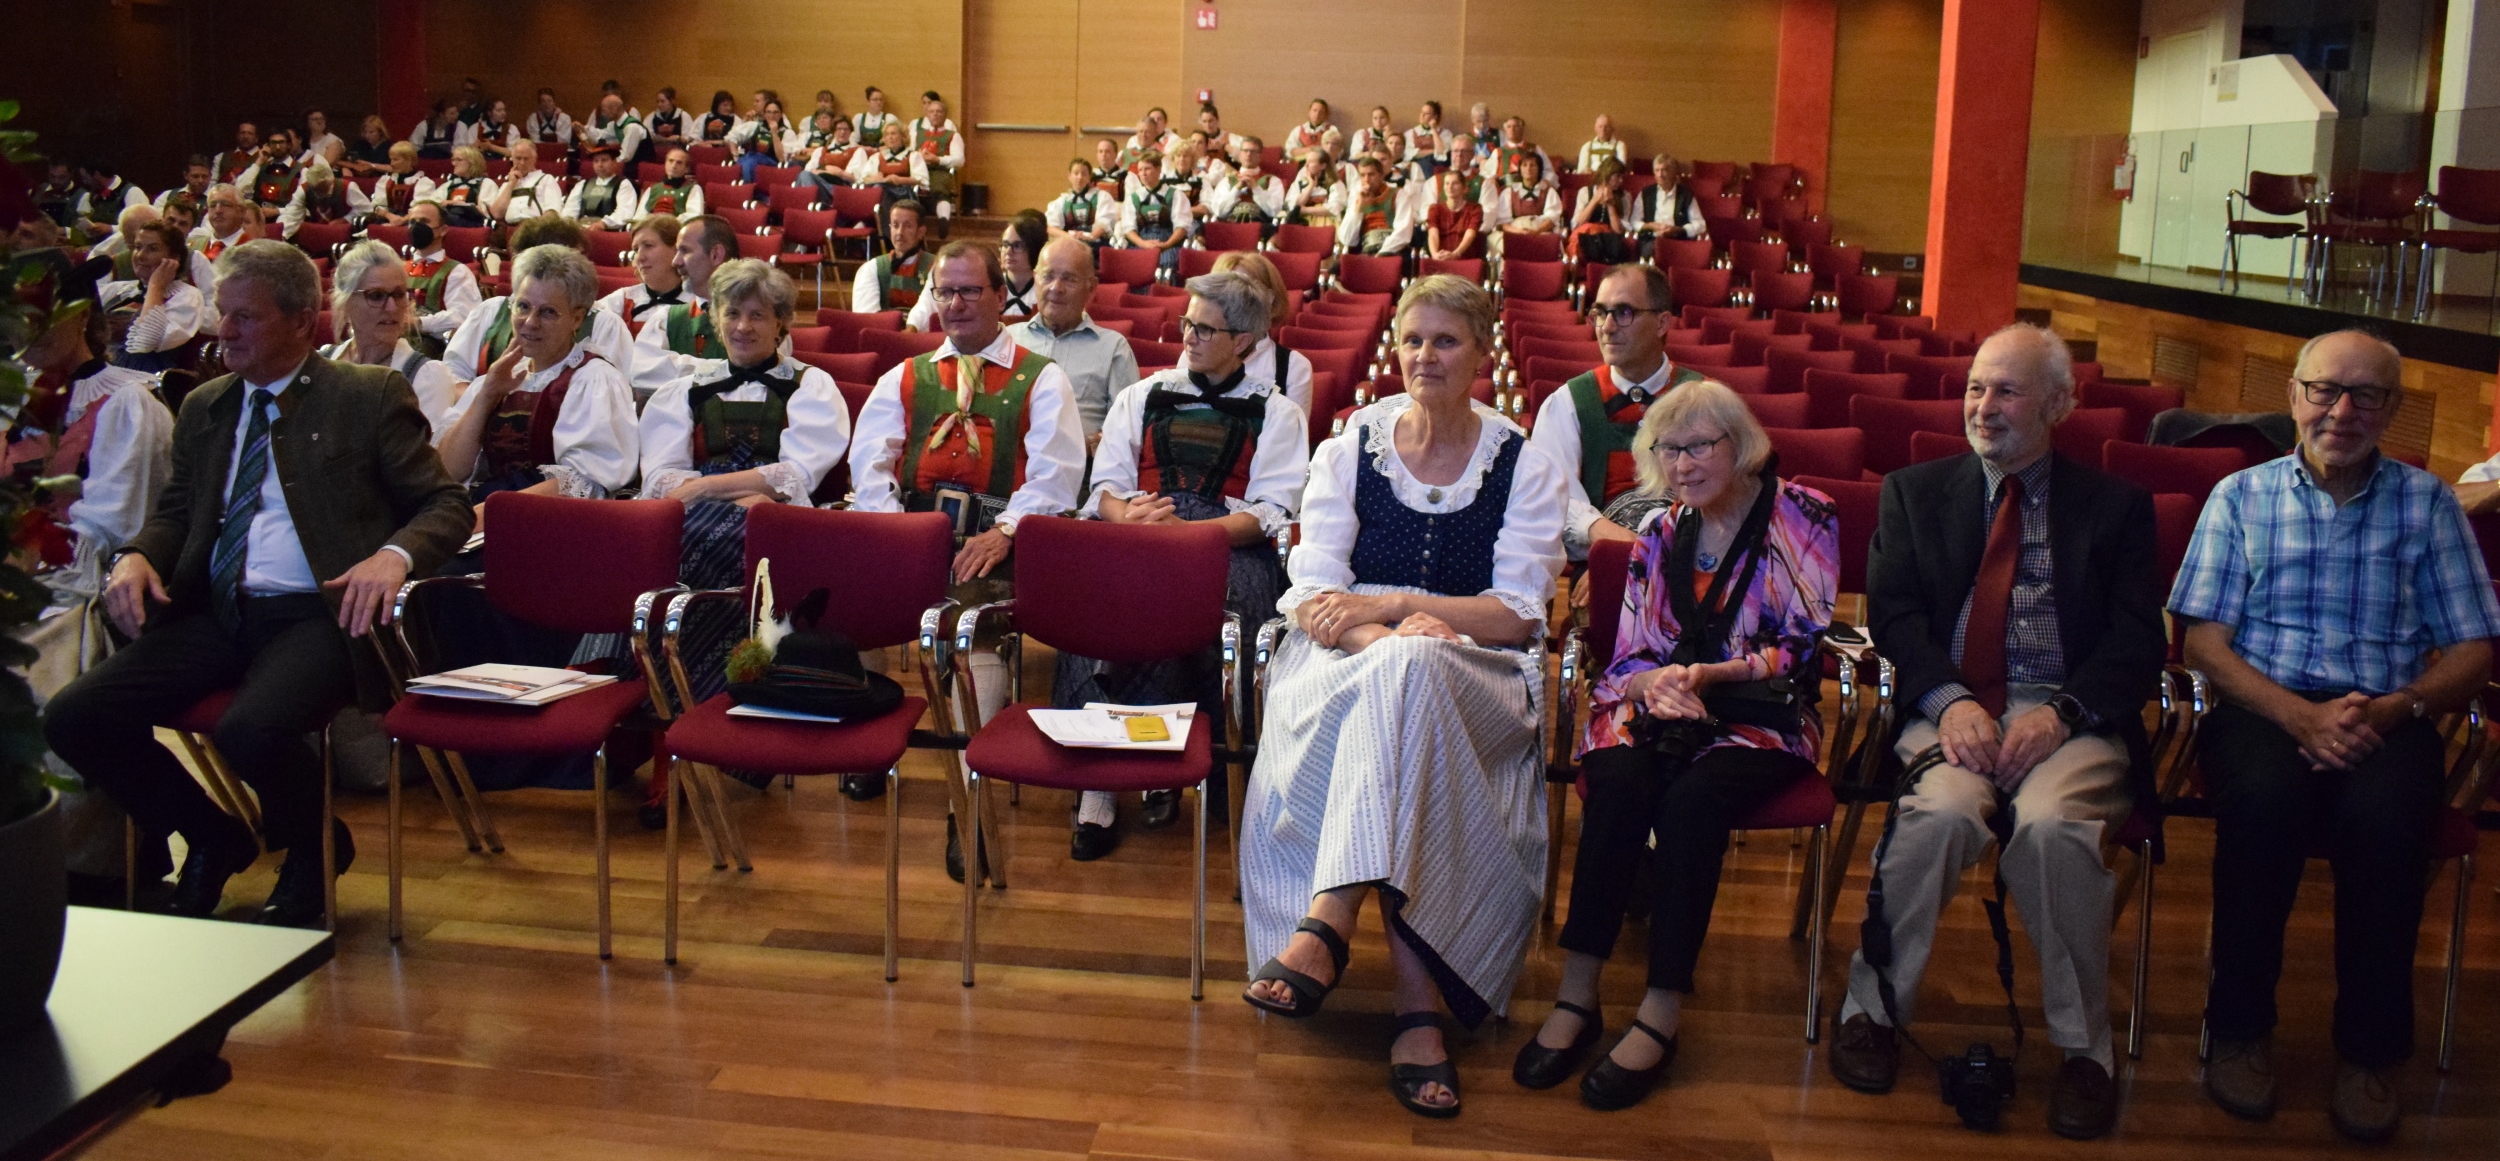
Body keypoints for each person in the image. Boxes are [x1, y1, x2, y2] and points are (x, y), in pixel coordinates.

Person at [41, 240, 472, 928]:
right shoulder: (209, 404)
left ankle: (313, 846)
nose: (225, 330)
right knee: (74, 715)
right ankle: (213, 835)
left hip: (320, 612)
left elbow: (444, 505)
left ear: (303, 321)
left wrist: (394, 554)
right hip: (215, 609)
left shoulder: (367, 396)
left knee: (252, 728)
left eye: (246, 316)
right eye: (223, 313)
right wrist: (135, 555)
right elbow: (178, 513)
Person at [1240, 274, 1564, 1120]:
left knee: (1416, 675)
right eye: (1414, 339)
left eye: (1446, 341)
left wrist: (1389, 608)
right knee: (1403, 679)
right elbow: (1312, 591)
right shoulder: (1352, 445)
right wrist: (1383, 641)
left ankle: (1328, 920)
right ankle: (1418, 1012)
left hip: (1479, 674)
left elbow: (1519, 614)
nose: (1425, 355)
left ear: (1483, 355)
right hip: (1341, 660)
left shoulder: (1524, 460)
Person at [1829, 324, 2162, 1142]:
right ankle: (1871, 1010)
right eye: (1977, 388)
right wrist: (1947, 700)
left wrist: (2062, 715)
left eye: (2006, 391)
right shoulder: (1916, 492)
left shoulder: (2116, 508)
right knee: (1939, 813)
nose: (1984, 406)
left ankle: (2087, 1053)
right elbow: (1896, 620)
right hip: (1951, 707)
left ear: (2057, 404)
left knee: (2052, 830)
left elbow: (2135, 640)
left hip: (2067, 715)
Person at [2169, 329, 2500, 1142]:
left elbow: (2472, 647)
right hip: (2263, 706)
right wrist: (2298, 715)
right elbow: (2202, 641)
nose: (2342, 410)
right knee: (2263, 815)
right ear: (2293, 397)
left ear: (2393, 408)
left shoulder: (2427, 505)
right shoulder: (2239, 497)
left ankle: (2369, 1052)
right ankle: (2240, 1032)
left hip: (2389, 713)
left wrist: (2398, 708)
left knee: (2388, 831)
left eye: (2367, 395)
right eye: (2325, 390)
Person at [1519, 380, 1836, 1111]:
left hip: (1757, 713)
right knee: (1621, 779)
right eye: (1669, 449)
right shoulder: (1662, 530)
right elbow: (1629, 651)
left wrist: (1712, 673)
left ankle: (1661, 1010)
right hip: (1662, 706)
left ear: (1741, 443)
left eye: (1700, 445)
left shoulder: (1805, 516)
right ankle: (1578, 992)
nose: (1683, 463)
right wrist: (1654, 685)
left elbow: (1801, 642)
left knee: (1694, 802)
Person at [1057, 270, 1309, 859]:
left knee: (1231, 614)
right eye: (1187, 323)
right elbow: (1106, 489)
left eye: (1205, 328)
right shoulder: (1142, 395)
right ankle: (1098, 790)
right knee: (1095, 604)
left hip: (1223, 542)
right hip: (1137, 530)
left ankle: (1204, 775)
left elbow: (1272, 510)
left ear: (1244, 340)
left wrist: (1190, 535)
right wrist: (1130, 521)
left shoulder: (1276, 412)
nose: (1188, 337)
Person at [850, 238, 1087, 836]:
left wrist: (1006, 530)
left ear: (1002, 296)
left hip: (998, 545)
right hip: (912, 536)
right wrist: (898, 533)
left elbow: (1056, 476)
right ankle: (865, 746)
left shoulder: (1042, 379)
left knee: (973, 621)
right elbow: (869, 465)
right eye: (945, 291)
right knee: (844, 600)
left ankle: (967, 800)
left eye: (969, 291)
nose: (955, 304)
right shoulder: (905, 377)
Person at [636, 259, 854, 786]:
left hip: (779, 527)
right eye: (733, 313)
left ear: (782, 323)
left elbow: (796, 475)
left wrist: (709, 489)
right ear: (715, 318)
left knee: (724, 539)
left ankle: (709, 738)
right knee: (644, 556)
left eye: (759, 315)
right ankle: (654, 721)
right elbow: (661, 477)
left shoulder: (809, 385)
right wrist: (711, 498)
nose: (743, 327)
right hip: (700, 521)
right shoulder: (688, 387)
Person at [8, 256, 176, 598]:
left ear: (82, 313)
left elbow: (115, 530)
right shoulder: (12, 402)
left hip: (67, 589)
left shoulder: (127, 404)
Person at [433, 244, 638, 504]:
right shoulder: (499, 378)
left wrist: (485, 516)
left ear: (577, 319)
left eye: (548, 312)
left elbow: (587, 483)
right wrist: (486, 395)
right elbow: (448, 470)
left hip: (546, 522)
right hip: (483, 513)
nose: (530, 322)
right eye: (523, 306)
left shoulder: (593, 379)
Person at [1528, 264, 1705, 561]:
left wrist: (1646, 556)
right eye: (1599, 313)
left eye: (1624, 313)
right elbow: (1551, 499)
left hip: (1693, 566)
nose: (1607, 327)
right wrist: (1612, 549)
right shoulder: (1569, 402)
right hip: (1600, 562)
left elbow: (1729, 498)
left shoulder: (1705, 398)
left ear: (1662, 323)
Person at [443, 216, 639, 384]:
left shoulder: (604, 322)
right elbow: (454, 371)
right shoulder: (490, 310)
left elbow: (614, 389)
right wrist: (483, 404)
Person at [1009, 235, 1141, 446]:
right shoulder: (1008, 340)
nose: (1056, 288)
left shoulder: (1113, 348)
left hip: (1082, 471)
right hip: (1011, 467)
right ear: (1035, 279)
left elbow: (1130, 427)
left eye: (1069, 279)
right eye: (1047, 276)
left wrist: (1100, 442)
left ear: (1091, 287)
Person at [325, 239, 464, 438]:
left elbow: (426, 464)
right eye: (376, 296)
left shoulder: (425, 377)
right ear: (345, 302)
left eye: (398, 295)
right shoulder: (325, 363)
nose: (391, 308)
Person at [631, 214, 737, 392]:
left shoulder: (763, 318)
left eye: (685, 251)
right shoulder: (666, 319)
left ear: (715, 254)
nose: (675, 261)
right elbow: (641, 373)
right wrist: (721, 371)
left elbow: (765, 377)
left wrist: (678, 368)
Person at [97, 221, 208, 372]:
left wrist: (156, 286)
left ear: (174, 258)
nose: (141, 256)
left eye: (153, 249)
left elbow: (143, 344)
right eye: (137, 247)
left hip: (144, 380)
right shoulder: (119, 289)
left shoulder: (187, 296)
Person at [1214, 250, 1313, 416]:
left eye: (1245, 292)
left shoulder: (1294, 367)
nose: (1233, 302)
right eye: (1223, 293)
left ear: (1269, 299)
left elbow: (1290, 438)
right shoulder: (1194, 355)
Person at [911, 213, 1039, 331]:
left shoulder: (1042, 291)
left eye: (1017, 246)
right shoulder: (988, 281)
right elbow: (927, 303)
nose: (1008, 252)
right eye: (1005, 245)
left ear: (1034, 249)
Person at [403, 201, 482, 349]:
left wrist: (418, 323)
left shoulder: (457, 271)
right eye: (412, 222)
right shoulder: (398, 269)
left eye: (424, 221)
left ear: (443, 230)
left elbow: (464, 316)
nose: (416, 227)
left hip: (432, 346)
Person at [597, 214, 686, 327]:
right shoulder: (622, 301)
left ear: (677, 249)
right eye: (636, 250)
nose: (639, 258)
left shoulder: (699, 303)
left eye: (648, 246)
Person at [850, 198, 932, 314]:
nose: (900, 232)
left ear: (921, 232)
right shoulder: (872, 268)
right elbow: (866, 318)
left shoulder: (937, 267)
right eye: (895, 225)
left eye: (908, 226)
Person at [850, 120, 929, 236]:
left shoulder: (913, 156)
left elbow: (921, 180)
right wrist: (875, 178)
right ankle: (879, 228)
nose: (890, 137)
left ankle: (873, 226)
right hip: (882, 190)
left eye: (893, 134)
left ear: (903, 136)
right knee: (877, 188)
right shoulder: (877, 157)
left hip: (903, 193)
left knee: (879, 190)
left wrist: (899, 179)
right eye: (887, 134)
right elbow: (864, 178)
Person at [1118, 153, 1193, 274]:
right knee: (1136, 265)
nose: (1143, 173)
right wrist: (1144, 244)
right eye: (1140, 170)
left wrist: (1166, 244)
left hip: (1169, 242)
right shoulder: (1133, 198)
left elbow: (1182, 227)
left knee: (1167, 263)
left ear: (1158, 169)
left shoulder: (1175, 195)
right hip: (1141, 242)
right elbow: (1128, 229)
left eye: (1147, 169)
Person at [1335, 156, 1413, 256]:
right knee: (1335, 269)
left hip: (1392, 252)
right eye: (1362, 175)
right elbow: (1347, 239)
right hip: (1365, 252)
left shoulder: (1399, 194)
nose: (1367, 180)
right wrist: (1358, 209)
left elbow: (1403, 233)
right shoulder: (1357, 198)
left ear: (1381, 176)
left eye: (1371, 174)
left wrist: (1382, 253)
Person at [1204, 138, 1286, 231]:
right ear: (1240, 154)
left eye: (1253, 151)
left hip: (1260, 228)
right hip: (1230, 229)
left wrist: (1256, 188)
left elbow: (1274, 211)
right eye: (1245, 151)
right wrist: (1236, 189)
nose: (1249, 154)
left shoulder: (1272, 181)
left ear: (1260, 156)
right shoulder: (1227, 181)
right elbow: (1218, 211)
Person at [1489, 151, 1564, 251]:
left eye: (1532, 165)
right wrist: (1518, 232)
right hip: (1515, 230)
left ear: (1539, 169)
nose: (1528, 169)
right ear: (1520, 168)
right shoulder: (1509, 192)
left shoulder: (1548, 191)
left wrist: (1536, 231)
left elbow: (1551, 219)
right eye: (1524, 165)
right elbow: (1503, 223)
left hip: (1540, 230)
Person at [1629, 154, 1707, 250]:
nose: (1660, 175)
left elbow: (1700, 224)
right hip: (1652, 240)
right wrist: (1650, 226)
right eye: (1657, 170)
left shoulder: (1686, 195)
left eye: (1664, 170)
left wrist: (1678, 230)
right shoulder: (1646, 193)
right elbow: (1634, 221)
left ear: (1673, 172)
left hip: (1678, 240)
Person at [912, 92, 965, 223]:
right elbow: (909, 154)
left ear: (945, 115)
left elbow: (959, 160)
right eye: (932, 111)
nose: (935, 114)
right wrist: (918, 156)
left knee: (939, 187)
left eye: (939, 112)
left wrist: (938, 159)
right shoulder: (917, 134)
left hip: (940, 170)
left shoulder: (953, 135)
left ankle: (943, 220)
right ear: (927, 114)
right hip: (918, 170)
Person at [277, 160, 364, 238]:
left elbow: (366, 210)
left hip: (347, 233)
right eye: (316, 189)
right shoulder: (304, 190)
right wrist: (281, 236)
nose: (319, 193)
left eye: (323, 187)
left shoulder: (348, 187)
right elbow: (292, 215)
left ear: (331, 181)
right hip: (318, 233)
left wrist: (345, 219)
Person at [1567, 160, 1631, 263]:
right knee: (1579, 236)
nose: (1621, 181)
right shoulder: (1585, 192)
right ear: (1606, 175)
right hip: (1586, 236)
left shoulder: (1625, 196)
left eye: (1622, 177)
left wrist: (1610, 205)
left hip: (1609, 239)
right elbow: (1577, 224)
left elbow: (1618, 231)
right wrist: (1594, 200)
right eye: (1617, 177)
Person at [486, 140, 564, 225]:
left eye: (526, 159)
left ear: (535, 159)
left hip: (535, 227)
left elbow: (552, 212)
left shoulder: (546, 179)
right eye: (518, 158)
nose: (522, 163)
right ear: (512, 158)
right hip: (511, 228)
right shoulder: (507, 185)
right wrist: (511, 184)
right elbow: (496, 214)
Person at [1043, 158, 1116, 246]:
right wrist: (1070, 238)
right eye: (1076, 173)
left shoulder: (1102, 197)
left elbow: (1104, 223)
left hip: (1095, 243)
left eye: (1084, 174)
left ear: (1089, 177)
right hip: (1069, 243)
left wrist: (1091, 237)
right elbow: (1051, 228)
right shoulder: (1061, 202)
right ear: (1069, 176)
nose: (1080, 177)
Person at [71, 161, 148, 244]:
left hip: (123, 246)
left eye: (85, 178)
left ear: (96, 175)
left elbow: (141, 227)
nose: (84, 182)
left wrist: (111, 229)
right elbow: (79, 220)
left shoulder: (132, 192)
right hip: (97, 245)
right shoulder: (90, 196)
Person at [563, 144, 636, 231]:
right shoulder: (583, 184)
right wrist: (569, 223)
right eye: (596, 161)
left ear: (614, 162)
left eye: (604, 160)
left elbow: (625, 212)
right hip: (580, 230)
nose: (600, 165)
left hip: (608, 232)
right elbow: (570, 209)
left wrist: (604, 223)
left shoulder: (623, 184)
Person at [1423, 169, 1485, 261]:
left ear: (1464, 188)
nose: (1450, 187)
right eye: (1447, 183)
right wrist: (1435, 255)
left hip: (1465, 258)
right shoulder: (1435, 209)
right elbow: (1433, 234)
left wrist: (1456, 254)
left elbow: (1470, 235)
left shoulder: (1475, 209)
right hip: (1440, 257)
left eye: (1455, 183)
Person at [365, 142, 430, 226]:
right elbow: (377, 205)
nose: (392, 164)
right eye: (391, 159)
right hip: (387, 220)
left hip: (411, 223)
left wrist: (402, 220)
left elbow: (421, 209)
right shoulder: (386, 181)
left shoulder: (423, 183)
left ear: (409, 160)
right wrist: (389, 216)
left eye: (395, 159)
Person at [729, 99, 793, 184]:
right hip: (751, 158)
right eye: (768, 112)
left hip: (771, 163)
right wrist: (735, 155)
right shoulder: (755, 126)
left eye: (775, 112)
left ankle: (748, 189)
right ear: (764, 114)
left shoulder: (787, 132)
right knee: (742, 162)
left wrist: (774, 133)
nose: (772, 116)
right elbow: (732, 136)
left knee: (750, 162)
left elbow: (782, 159)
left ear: (781, 114)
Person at [424, 147, 492, 228]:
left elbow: (490, 213)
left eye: (458, 160)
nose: (454, 164)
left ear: (472, 162)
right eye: (453, 160)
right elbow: (431, 205)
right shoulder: (449, 185)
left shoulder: (486, 183)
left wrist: (457, 204)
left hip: (474, 224)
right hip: (450, 221)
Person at [795, 115, 861, 195]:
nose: (842, 132)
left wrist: (840, 173)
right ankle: (809, 198)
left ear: (851, 131)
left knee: (805, 177)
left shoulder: (857, 151)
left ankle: (807, 199)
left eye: (846, 129)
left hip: (840, 189)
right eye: (839, 129)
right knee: (804, 175)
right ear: (833, 131)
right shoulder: (821, 151)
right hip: (819, 184)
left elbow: (855, 179)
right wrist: (825, 170)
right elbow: (809, 170)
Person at [637, 147, 706, 221]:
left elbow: (694, 216)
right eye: (670, 161)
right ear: (665, 164)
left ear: (687, 169)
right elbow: (639, 215)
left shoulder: (693, 188)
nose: (673, 166)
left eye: (679, 162)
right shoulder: (652, 188)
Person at [579, 93, 646, 169]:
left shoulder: (632, 127)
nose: (603, 114)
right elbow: (600, 135)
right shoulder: (615, 124)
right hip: (628, 167)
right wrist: (583, 128)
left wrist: (607, 164)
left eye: (604, 110)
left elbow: (625, 156)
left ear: (614, 109)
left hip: (639, 169)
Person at [237, 138, 302, 212]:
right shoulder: (259, 167)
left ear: (289, 145)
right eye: (274, 143)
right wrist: (259, 161)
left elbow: (302, 208)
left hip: (285, 220)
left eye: (282, 142)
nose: (278, 146)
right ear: (267, 146)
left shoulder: (301, 170)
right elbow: (239, 190)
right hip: (259, 218)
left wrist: (277, 211)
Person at [1287, 150, 1347, 229]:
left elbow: (1334, 208)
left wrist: (1305, 210)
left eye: (1311, 162)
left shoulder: (1335, 184)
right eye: (1306, 161)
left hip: (1325, 223)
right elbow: (1294, 205)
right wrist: (1310, 186)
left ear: (1322, 165)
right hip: (1300, 221)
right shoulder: (1299, 183)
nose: (1306, 165)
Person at [1402, 101, 1450, 180]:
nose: (1422, 115)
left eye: (1426, 113)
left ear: (1435, 116)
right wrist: (1433, 152)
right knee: (1426, 161)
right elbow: (1409, 153)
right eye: (1422, 112)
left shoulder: (1445, 133)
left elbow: (1443, 153)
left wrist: (1434, 129)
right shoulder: (1411, 133)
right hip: (1419, 167)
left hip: (1438, 166)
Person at [643, 87, 697, 154]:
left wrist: (679, 138)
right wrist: (667, 140)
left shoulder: (683, 116)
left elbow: (689, 138)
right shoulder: (651, 117)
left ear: (672, 101)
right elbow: (646, 137)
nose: (659, 104)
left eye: (662, 101)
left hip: (677, 152)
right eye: (658, 101)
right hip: (657, 152)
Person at [1284, 100, 1333, 164]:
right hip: (1302, 164)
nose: (1317, 114)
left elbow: (1336, 151)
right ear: (1309, 112)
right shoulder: (1298, 130)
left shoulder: (1331, 130)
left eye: (1321, 112)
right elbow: (1291, 151)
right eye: (1314, 110)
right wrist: (1312, 149)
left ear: (1326, 115)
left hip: (1324, 164)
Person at [211, 121, 260, 185]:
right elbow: (212, 183)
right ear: (237, 136)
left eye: (250, 133)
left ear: (256, 138)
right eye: (242, 133)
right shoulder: (221, 157)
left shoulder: (266, 159)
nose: (245, 137)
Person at [853, 86, 898, 152]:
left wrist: (882, 148)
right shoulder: (858, 118)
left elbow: (897, 140)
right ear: (868, 101)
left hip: (883, 153)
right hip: (862, 153)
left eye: (881, 100)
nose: (879, 102)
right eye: (875, 100)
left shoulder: (889, 118)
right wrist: (864, 148)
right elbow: (852, 141)